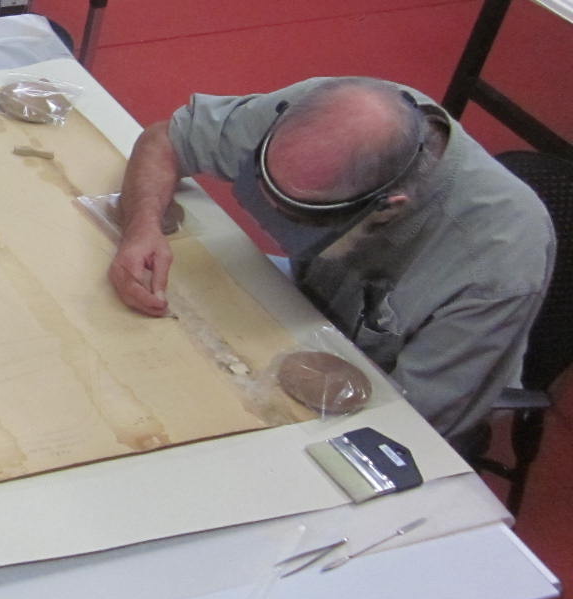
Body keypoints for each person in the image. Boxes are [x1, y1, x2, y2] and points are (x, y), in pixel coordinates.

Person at [107, 76, 554, 444]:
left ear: (387, 206)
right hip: (301, 311)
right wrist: (141, 227)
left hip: (375, 392)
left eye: (300, 216)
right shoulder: (334, 112)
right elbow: (167, 139)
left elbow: (407, 428)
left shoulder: (497, 264)